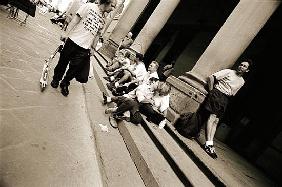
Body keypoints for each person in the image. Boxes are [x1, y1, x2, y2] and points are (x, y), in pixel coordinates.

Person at [174, 60, 251, 159]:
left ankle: (210, 143)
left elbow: (233, 93)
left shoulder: (242, 82)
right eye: (241, 64)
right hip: (217, 94)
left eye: (244, 66)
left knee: (216, 121)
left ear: (247, 70)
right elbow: (211, 78)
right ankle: (208, 143)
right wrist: (211, 91)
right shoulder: (229, 72)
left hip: (225, 99)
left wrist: (226, 95)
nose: (241, 67)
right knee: (212, 117)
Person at [51, 0, 117, 96]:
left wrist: (93, 49)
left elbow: (97, 35)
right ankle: (56, 79)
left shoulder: (104, 19)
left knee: (74, 69)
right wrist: (65, 32)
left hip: (85, 48)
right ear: (106, 2)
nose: (113, 9)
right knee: (62, 62)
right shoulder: (89, 6)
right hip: (73, 40)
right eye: (112, 5)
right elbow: (75, 20)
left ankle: (65, 82)